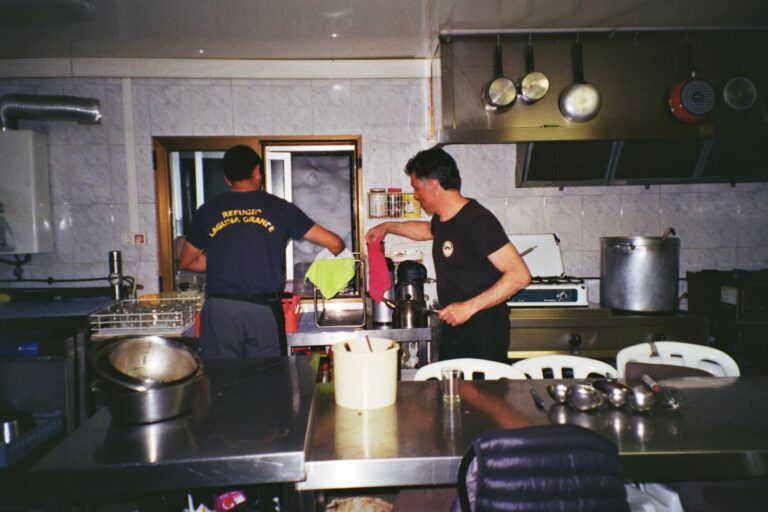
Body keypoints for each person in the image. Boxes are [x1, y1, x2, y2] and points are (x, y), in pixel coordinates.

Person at [365, 147, 531, 363]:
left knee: (482, 396)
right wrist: (387, 226)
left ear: (433, 186)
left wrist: (468, 308)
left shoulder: (478, 221)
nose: (415, 196)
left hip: (482, 330)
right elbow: (426, 230)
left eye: (416, 188)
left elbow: (519, 275)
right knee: (452, 393)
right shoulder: (445, 220)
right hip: (456, 325)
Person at [179, 145, 344, 359]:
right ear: (257, 171)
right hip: (262, 311)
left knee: (222, 384)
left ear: (227, 179)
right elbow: (334, 242)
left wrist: (225, 259)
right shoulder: (280, 208)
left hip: (220, 311)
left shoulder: (208, 210)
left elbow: (186, 261)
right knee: (266, 383)